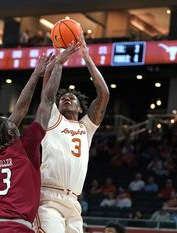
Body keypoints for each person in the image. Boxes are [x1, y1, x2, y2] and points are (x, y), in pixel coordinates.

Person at [0, 44, 79, 233]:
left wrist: (36, 73)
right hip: (16, 226)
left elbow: (19, 110)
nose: (14, 120)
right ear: (10, 132)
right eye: (10, 122)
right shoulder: (26, 147)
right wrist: (58, 65)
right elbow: (47, 101)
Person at [34, 32, 109, 232]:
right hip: (48, 198)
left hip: (74, 202)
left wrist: (86, 57)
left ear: (80, 109)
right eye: (63, 98)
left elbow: (104, 94)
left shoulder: (87, 127)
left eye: (72, 98)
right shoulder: (53, 118)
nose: (66, 98)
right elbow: (47, 94)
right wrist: (56, 64)